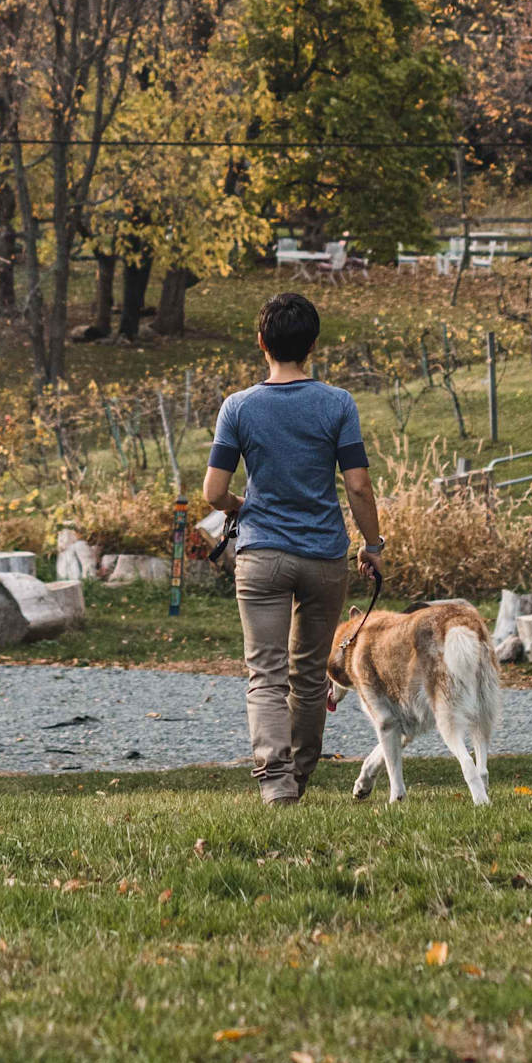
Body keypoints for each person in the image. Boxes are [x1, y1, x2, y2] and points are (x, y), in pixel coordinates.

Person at [194, 291, 383, 806]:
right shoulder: (338, 404)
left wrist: (239, 504)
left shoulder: (238, 407)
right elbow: (359, 486)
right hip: (324, 556)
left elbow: (213, 492)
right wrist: (373, 544)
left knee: (266, 671)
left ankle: (275, 784)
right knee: (308, 674)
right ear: (313, 346)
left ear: (262, 344)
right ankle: (299, 776)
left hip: (262, 557)